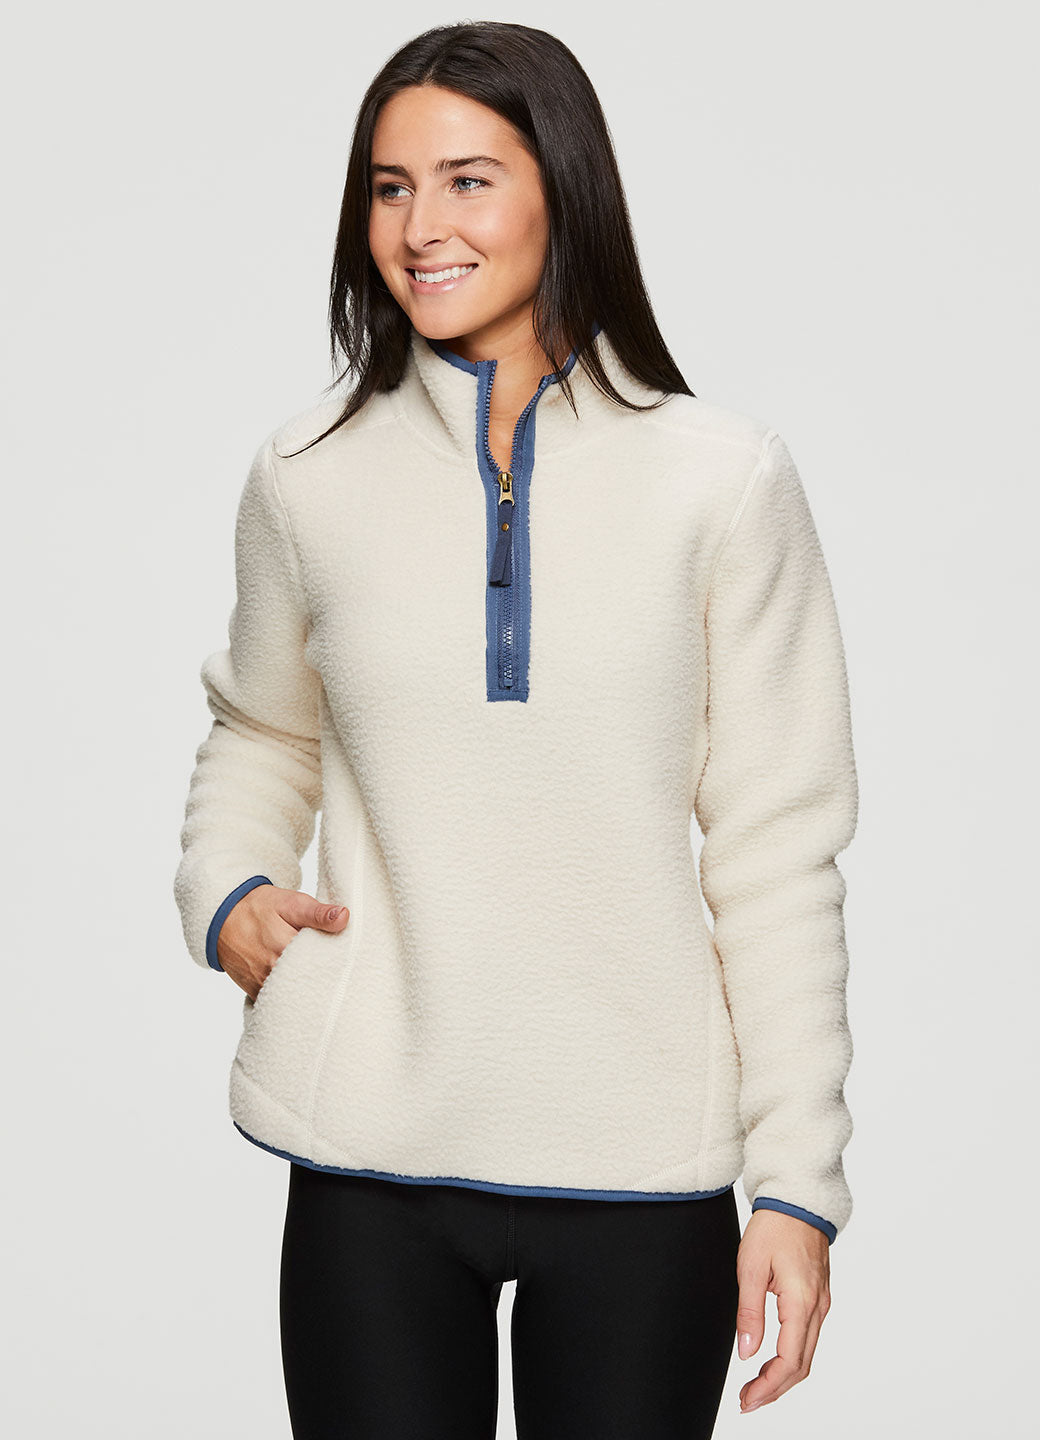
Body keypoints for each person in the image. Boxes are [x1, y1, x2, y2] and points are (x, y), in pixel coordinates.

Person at [173, 21, 859, 1439]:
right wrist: (229, 888)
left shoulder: (722, 482)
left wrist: (797, 1185)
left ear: (565, 189)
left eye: (468, 181)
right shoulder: (305, 476)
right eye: (389, 187)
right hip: (364, 1142)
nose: (419, 228)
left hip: (644, 1158)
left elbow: (779, 851)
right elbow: (261, 728)